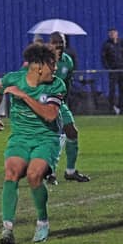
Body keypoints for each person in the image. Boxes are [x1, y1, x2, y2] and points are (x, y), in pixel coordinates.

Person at [0, 43, 66, 244]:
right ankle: (7, 229)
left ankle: (42, 221)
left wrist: (24, 96)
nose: (55, 69)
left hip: (46, 138)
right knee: (11, 172)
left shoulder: (57, 85)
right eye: (52, 64)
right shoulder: (13, 79)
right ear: (39, 66)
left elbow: (50, 115)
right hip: (21, 138)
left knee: (34, 175)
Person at [46, 31, 90, 185]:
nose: (59, 45)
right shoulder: (42, 60)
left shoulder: (68, 61)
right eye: (55, 42)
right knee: (51, 137)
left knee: (71, 131)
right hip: (42, 101)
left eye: (61, 42)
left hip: (59, 102)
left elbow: (67, 84)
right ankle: (48, 172)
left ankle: (70, 171)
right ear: (49, 44)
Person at [101, 27, 123, 114]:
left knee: (122, 89)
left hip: (122, 70)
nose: (112, 34)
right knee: (112, 89)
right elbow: (103, 58)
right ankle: (111, 107)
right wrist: (108, 68)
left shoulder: (122, 43)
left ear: (117, 33)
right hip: (113, 70)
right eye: (111, 33)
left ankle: (121, 107)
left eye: (114, 33)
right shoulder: (106, 45)